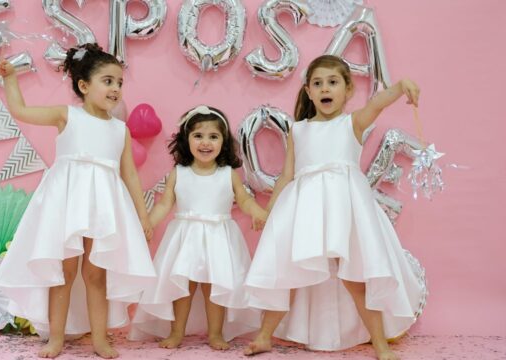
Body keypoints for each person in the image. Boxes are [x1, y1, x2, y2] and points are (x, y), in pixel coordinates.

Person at [244, 55, 422, 360]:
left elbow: (377, 103)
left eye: (333, 82)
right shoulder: (297, 130)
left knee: (355, 278)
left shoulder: (351, 123)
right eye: (317, 83)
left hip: (344, 211)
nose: (325, 88)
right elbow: (287, 175)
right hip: (306, 211)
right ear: (309, 91)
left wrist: (400, 87)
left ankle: (380, 344)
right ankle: (264, 337)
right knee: (290, 273)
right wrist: (271, 211)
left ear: (348, 90)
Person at [0, 43, 156, 359]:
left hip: (103, 205)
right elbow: (21, 111)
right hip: (67, 201)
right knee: (63, 272)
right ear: (84, 86)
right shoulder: (67, 116)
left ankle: (100, 338)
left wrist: (143, 215)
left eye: (119, 82)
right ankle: (56, 338)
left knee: (96, 274)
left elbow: (131, 176)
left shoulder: (120, 130)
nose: (115, 88)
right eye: (107, 81)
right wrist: (10, 79)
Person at [129, 105, 267, 350]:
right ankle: (176, 332)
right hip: (186, 237)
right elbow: (165, 204)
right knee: (184, 287)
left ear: (223, 142)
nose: (206, 142)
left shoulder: (227, 173)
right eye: (198, 136)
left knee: (216, 286)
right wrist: (148, 221)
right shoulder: (179, 172)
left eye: (213, 136)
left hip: (218, 237)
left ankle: (215, 333)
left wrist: (257, 211)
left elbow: (244, 200)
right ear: (186, 139)